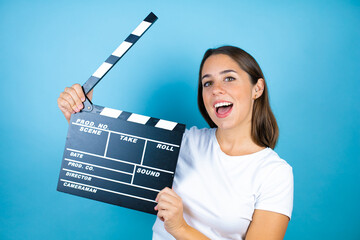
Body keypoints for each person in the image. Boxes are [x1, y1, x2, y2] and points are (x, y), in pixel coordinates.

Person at [57, 46, 293, 240]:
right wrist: (80, 117)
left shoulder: (274, 173)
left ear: (257, 88)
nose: (216, 90)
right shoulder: (182, 142)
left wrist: (180, 228)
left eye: (229, 78)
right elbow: (109, 162)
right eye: (207, 83)